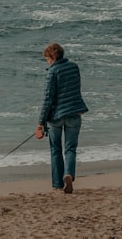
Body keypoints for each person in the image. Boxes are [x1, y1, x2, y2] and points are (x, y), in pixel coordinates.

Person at [36, 42, 88, 193]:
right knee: (70, 149)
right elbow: (76, 88)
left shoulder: (52, 72)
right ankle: (69, 174)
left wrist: (40, 123)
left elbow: (48, 99)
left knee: (56, 150)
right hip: (74, 113)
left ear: (52, 57)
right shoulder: (74, 67)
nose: (47, 62)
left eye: (47, 59)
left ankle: (57, 184)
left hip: (56, 117)